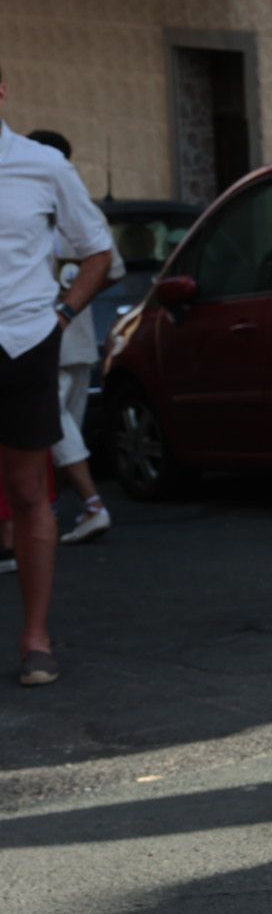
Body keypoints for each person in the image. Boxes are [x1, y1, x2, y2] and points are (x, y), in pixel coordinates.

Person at [0, 66, 114, 686]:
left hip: (23, 342)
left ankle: (35, 638)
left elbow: (97, 247)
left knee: (27, 492)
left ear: (1, 93)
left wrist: (62, 315)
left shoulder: (40, 165)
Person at [27, 130, 126, 545]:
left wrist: (60, 305)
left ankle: (89, 503)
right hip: (77, 334)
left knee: (53, 426)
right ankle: (50, 508)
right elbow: (112, 269)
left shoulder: (32, 205)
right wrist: (76, 301)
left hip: (43, 334)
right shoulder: (82, 209)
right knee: (62, 423)